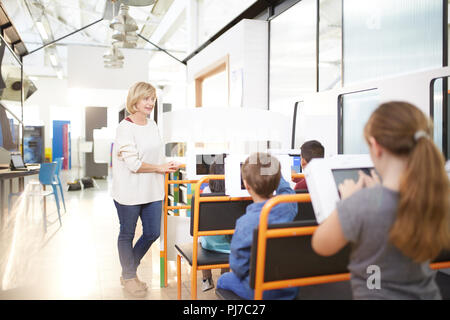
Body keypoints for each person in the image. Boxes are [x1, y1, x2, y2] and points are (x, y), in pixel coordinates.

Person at [311, 101, 450, 299]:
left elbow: (321, 245)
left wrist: (348, 201)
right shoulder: (436, 197)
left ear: (376, 146)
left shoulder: (361, 204)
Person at [111, 82, 180, 298]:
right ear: (135, 101)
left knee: (152, 232)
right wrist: (159, 167)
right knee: (127, 233)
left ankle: (127, 271)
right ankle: (130, 276)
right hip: (129, 192)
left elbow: (155, 157)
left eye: (152, 98)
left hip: (152, 190)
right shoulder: (125, 127)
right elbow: (133, 164)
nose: (150, 103)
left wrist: (167, 163)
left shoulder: (152, 125)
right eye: (146, 99)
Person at [217, 152, 299, 299]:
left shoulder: (245, 223)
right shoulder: (289, 206)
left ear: (246, 185)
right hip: (290, 287)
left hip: (259, 291)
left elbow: (238, 267)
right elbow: (287, 191)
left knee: (223, 279)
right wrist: (273, 174)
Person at [199, 155, 230, 292]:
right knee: (229, 235)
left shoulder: (205, 191)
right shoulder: (235, 192)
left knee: (204, 236)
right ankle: (225, 276)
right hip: (229, 245)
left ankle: (206, 279)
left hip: (208, 244)